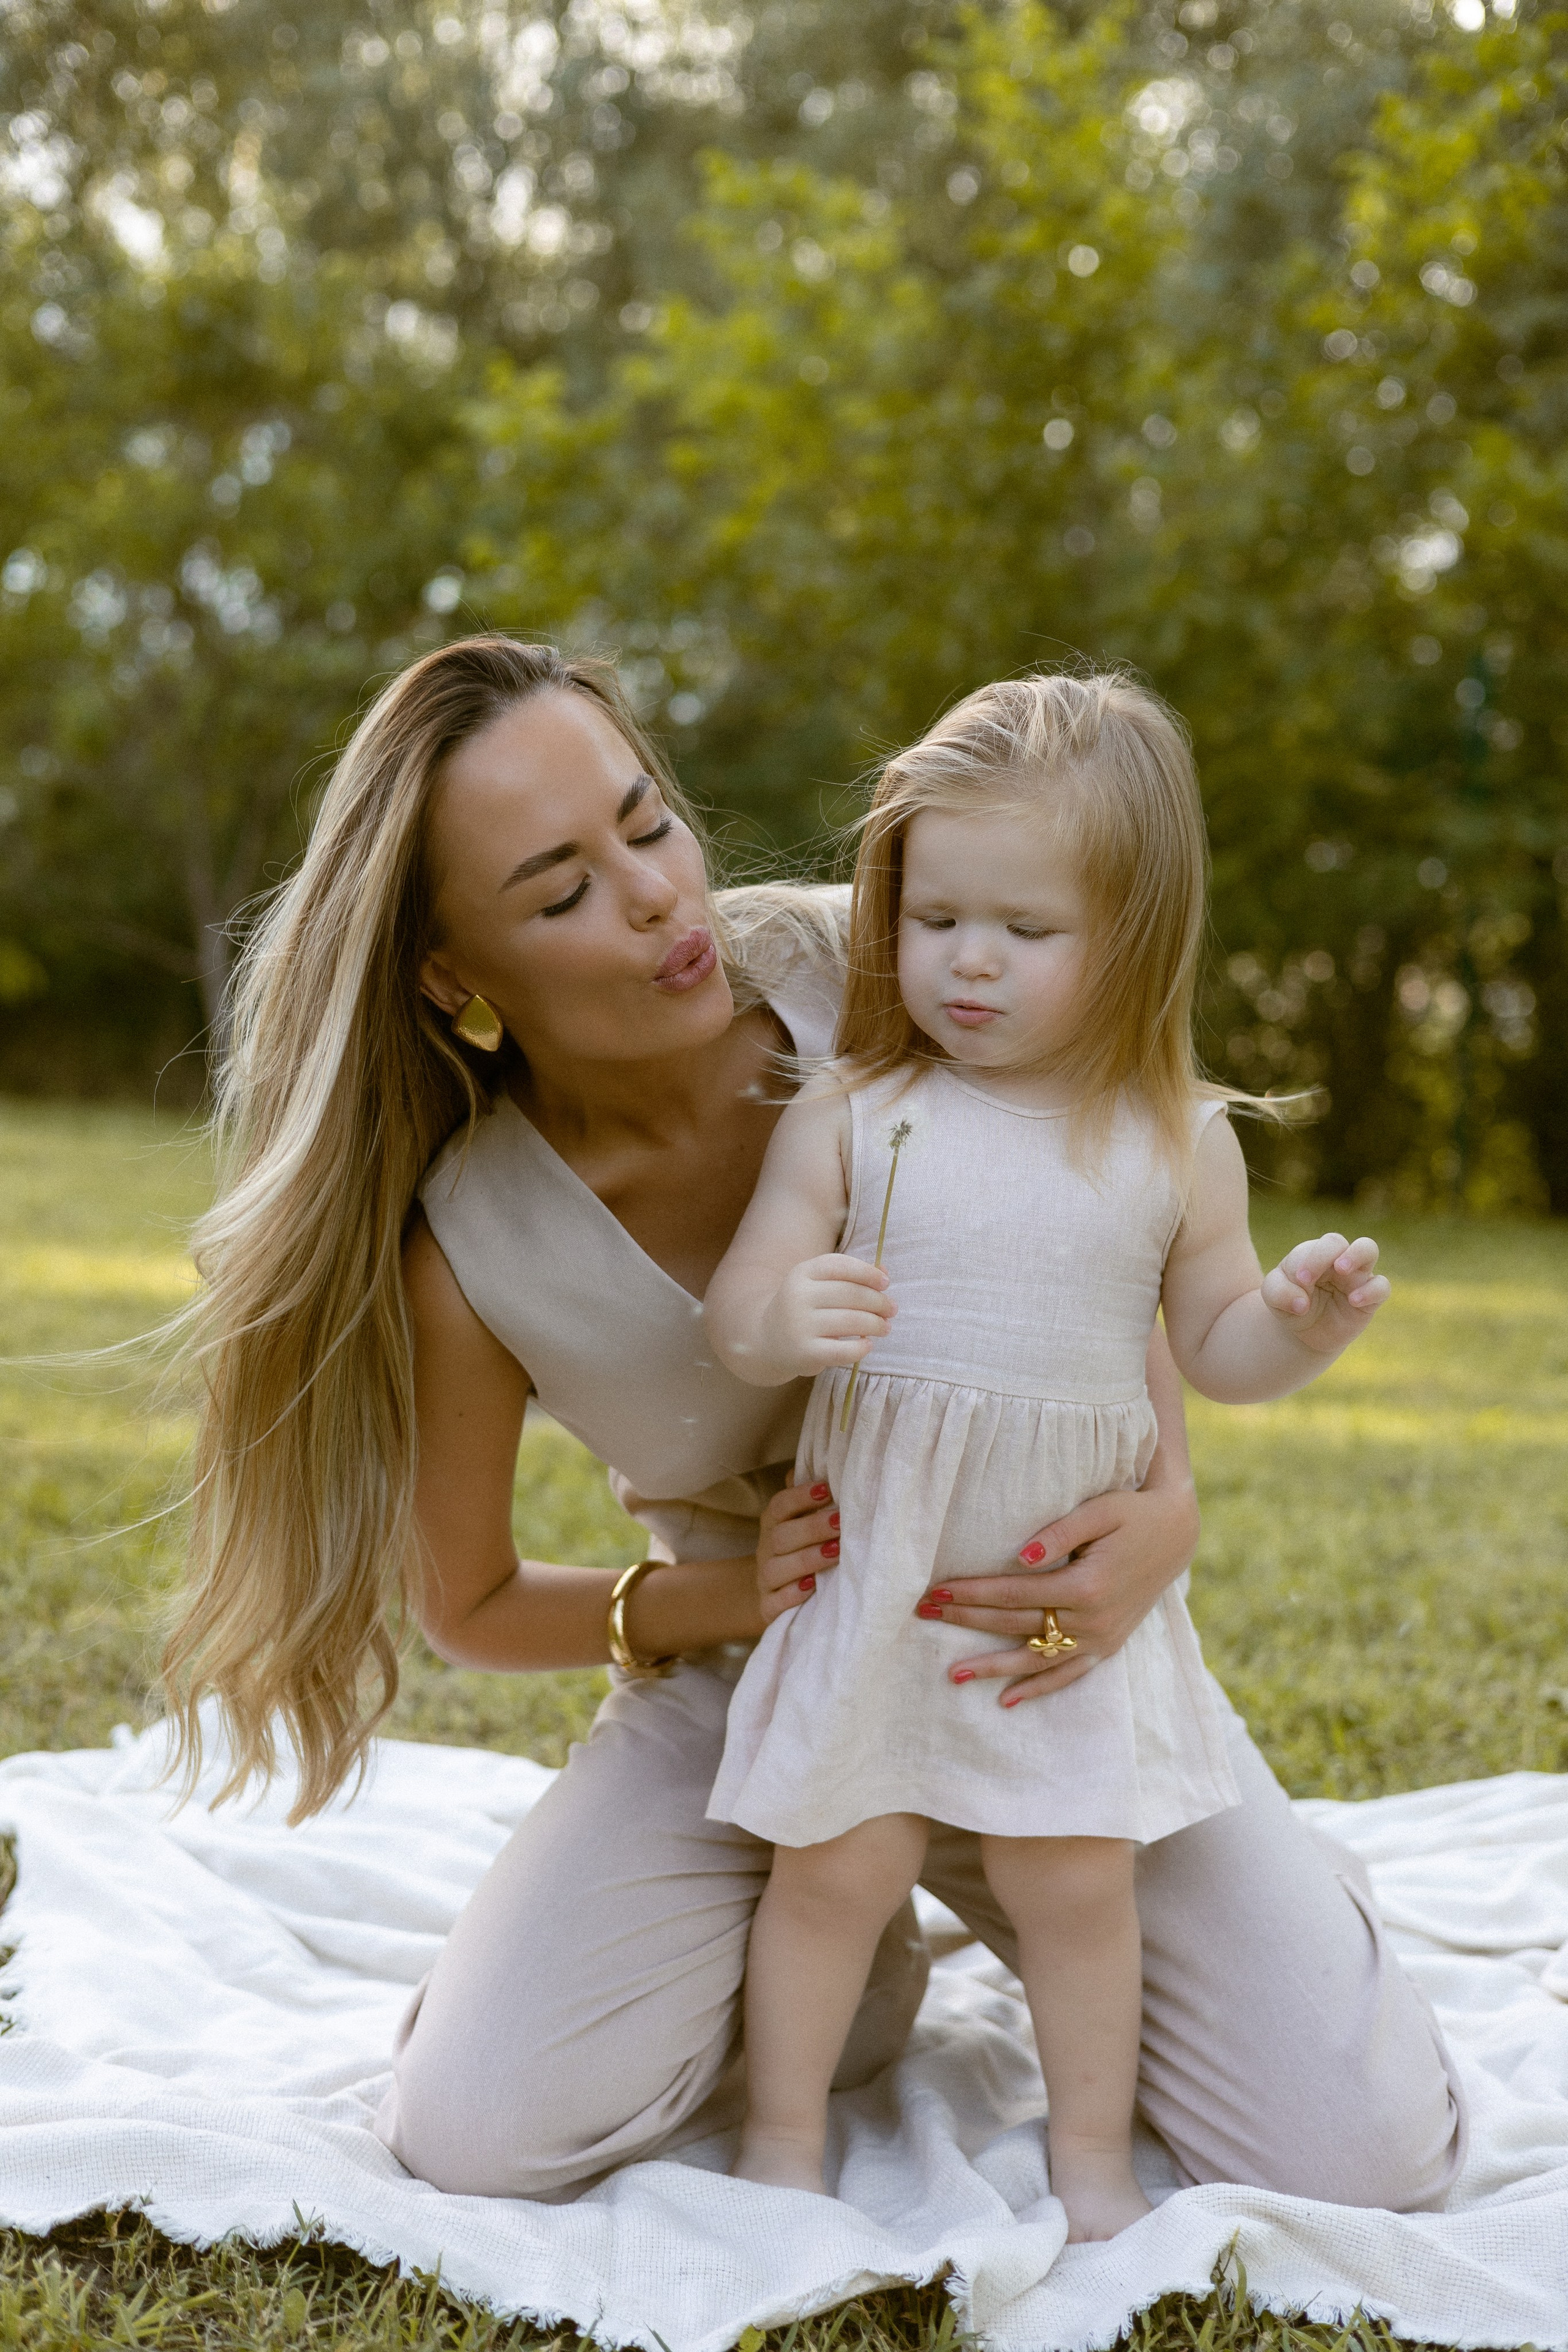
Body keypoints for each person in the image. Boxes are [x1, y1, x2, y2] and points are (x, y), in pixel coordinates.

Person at [162, 634, 1463, 2210]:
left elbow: (1103, 1219)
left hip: (1023, 1636)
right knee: (478, 2131)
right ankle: (846, 1956)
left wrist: (1163, 1512)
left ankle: (1264, 1915)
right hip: (748, 1683)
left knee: (1360, 2154)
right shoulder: (476, 1243)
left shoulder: (878, 962)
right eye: (561, 889)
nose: (654, 897)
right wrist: (733, 1594)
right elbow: (472, 1607)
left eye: (647, 822)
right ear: (455, 977)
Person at [701, 670, 1392, 2238]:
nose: (968, 960)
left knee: (1074, 1884)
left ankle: (1088, 2162)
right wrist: (780, 1314)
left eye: (1025, 931)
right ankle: (782, 2145)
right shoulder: (856, 1113)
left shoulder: (1169, 1138)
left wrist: (1293, 1324)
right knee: (832, 1870)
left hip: (1052, 1618)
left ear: (1133, 936)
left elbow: (1214, 1351)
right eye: (935, 915)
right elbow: (741, 1311)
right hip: (876, 1581)